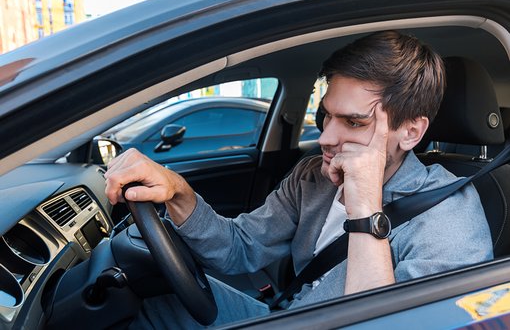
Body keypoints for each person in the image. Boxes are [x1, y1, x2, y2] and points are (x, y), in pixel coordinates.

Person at [104, 30, 493, 328]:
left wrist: (365, 206)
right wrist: (178, 190)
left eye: (354, 122)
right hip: (289, 312)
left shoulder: (448, 216)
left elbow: (379, 321)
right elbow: (239, 249)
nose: (325, 137)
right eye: (327, 115)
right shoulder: (314, 176)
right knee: (157, 301)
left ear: (410, 132)